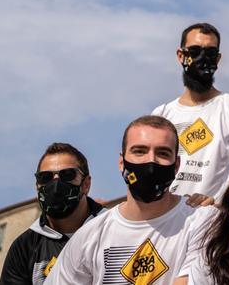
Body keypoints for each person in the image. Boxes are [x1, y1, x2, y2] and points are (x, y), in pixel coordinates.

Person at [46, 115, 214, 284]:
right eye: (139, 151)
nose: (150, 161)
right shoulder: (88, 237)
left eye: (163, 153)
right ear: (121, 162)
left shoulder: (202, 221)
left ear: (176, 166)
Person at [152, 22, 229, 205]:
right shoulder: (162, 114)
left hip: (213, 221)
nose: (202, 58)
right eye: (194, 51)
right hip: (167, 219)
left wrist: (219, 205)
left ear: (218, 59)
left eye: (210, 53)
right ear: (180, 55)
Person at [1, 142, 106, 285]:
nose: (55, 184)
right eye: (45, 177)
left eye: (67, 175)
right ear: (37, 186)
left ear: (86, 184)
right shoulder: (25, 246)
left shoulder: (112, 230)